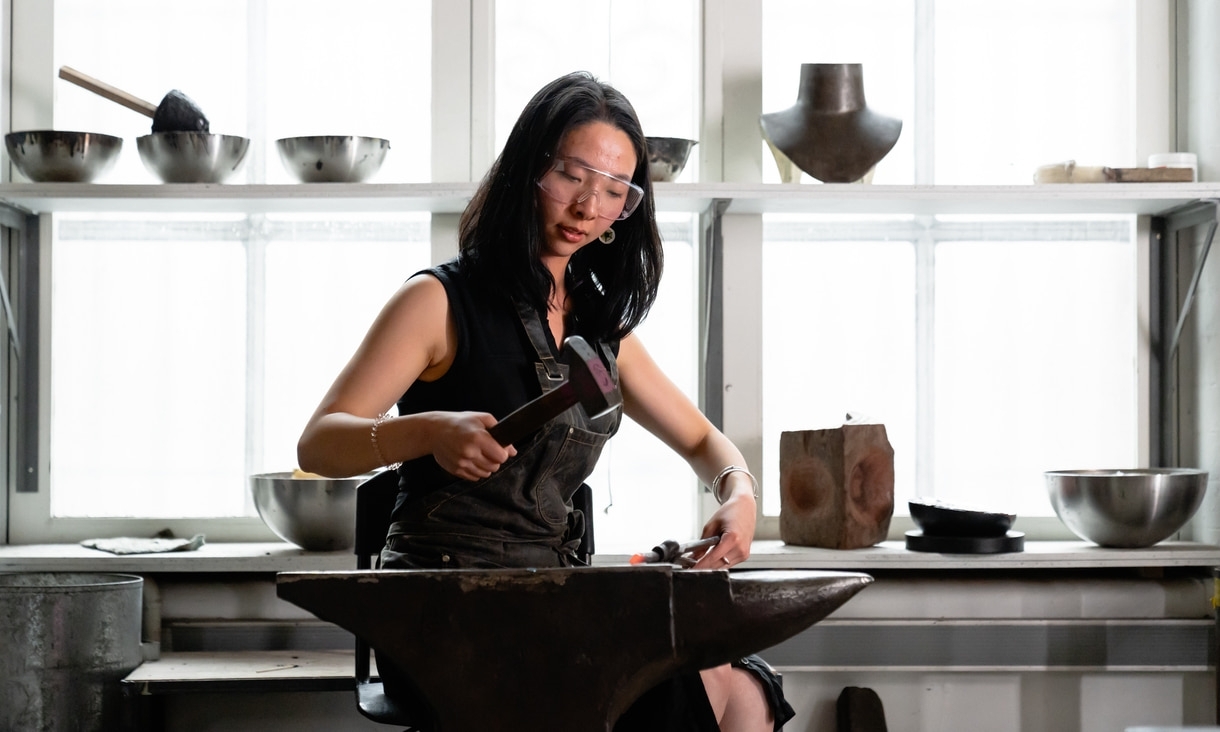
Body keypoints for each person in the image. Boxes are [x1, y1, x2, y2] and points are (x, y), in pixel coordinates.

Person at [297, 71, 794, 732]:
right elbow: (319, 442)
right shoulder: (438, 302)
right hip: (441, 612)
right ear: (529, 169)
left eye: (614, 191)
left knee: (738, 686)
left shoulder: (599, 329)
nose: (589, 207)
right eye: (573, 177)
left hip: (554, 599)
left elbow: (706, 443)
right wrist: (425, 432)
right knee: (686, 689)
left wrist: (739, 495)